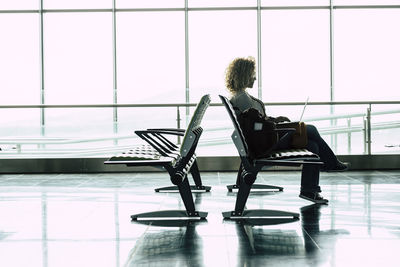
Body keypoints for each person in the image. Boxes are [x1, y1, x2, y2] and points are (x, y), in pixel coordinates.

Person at [225, 56, 349, 204]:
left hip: (263, 140)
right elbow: (257, 126)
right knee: (310, 129)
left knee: (312, 146)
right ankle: (331, 163)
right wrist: (275, 124)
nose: (255, 78)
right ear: (244, 75)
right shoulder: (242, 99)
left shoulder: (240, 97)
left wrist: (275, 120)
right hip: (264, 145)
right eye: (252, 74)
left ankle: (310, 190)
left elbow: (256, 122)